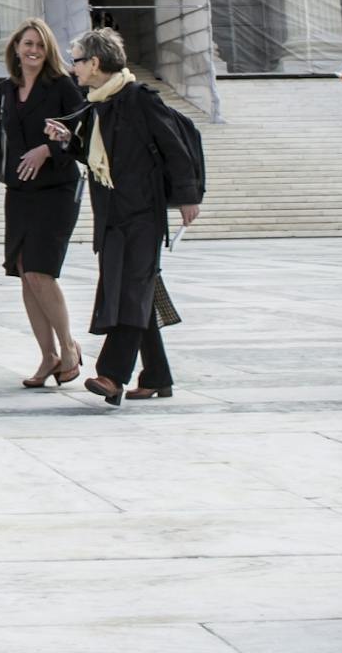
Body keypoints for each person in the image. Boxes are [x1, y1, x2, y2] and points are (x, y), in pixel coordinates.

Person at [45, 27, 200, 408]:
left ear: (95, 63)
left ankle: (112, 374)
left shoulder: (138, 99)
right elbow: (98, 158)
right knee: (134, 291)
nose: (73, 67)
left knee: (130, 289)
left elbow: (174, 147)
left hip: (143, 213)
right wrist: (67, 141)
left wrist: (187, 197)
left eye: (77, 60)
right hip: (113, 213)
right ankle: (157, 376)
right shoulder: (97, 103)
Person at [0, 18, 84, 388]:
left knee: (40, 270)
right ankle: (48, 355)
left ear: (48, 48)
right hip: (19, 192)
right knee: (25, 272)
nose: (33, 50)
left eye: (39, 44)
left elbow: (82, 131)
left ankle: (69, 348)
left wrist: (48, 149)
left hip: (56, 190)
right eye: (27, 43)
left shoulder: (64, 86)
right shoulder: (5, 90)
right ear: (16, 48)